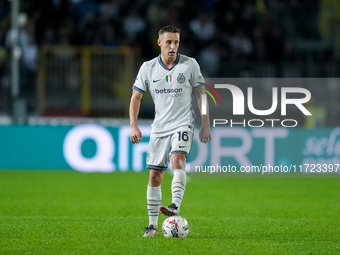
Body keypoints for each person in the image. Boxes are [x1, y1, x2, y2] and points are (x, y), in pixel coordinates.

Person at [129, 25, 211, 237]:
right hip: (159, 128)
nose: (173, 46)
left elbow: (202, 95)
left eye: (176, 42)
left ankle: (174, 204)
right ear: (160, 43)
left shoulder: (189, 64)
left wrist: (205, 124)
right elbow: (135, 98)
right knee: (155, 175)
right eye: (168, 42)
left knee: (177, 160)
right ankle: (152, 225)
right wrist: (133, 125)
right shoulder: (148, 68)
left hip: (183, 123)